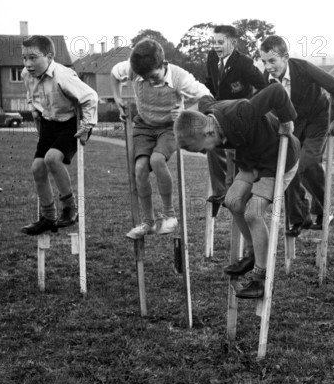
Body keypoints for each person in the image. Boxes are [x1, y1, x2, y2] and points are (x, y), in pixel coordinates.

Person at [174, 82, 299, 299]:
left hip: (279, 158)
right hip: (253, 160)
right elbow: (204, 98)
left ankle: (262, 278)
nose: (204, 153)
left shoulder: (241, 113)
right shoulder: (209, 119)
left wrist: (287, 119)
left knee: (253, 213)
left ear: (209, 131)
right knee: (232, 201)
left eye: (202, 149)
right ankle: (253, 254)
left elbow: (277, 91)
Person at [111, 38, 211, 240]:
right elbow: (114, 74)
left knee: (156, 160)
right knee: (139, 168)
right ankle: (148, 222)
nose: (150, 81)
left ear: (163, 64)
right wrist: (117, 98)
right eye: (144, 78)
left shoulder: (180, 77)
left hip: (169, 127)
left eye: (154, 76)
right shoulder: (132, 68)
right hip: (144, 125)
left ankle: (170, 216)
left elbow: (207, 97)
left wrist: (186, 110)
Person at [259, 35, 334, 236]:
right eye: (264, 62)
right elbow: (266, 107)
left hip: (317, 119)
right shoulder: (266, 80)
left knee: (307, 163)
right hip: (293, 125)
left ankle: (325, 209)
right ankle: (299, 218)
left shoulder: (304, 68)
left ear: (286, 57)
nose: (268, 66)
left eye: (272, 61)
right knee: (288, 166)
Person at [20, 35, 98, 235]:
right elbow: (31, 94)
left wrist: (87, 125)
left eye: (33, 58)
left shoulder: (63, 75)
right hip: (48, 123)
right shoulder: (26, 74)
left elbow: (90, 97)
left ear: (49, 56)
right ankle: (48, 217)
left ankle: (70, 208)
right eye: (24, 58)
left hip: (71, 123)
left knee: (52, 159)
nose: (28, 64)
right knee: (37, 167)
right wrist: (33, 108)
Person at [204, 25, 266, 207]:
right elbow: (210, 82)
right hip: (218, 114)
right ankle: (219, 191)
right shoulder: (212, 57)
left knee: (234, 157)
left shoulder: (244, 63)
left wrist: (250, 108)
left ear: (233, 42)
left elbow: (263, 86)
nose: (216, 46)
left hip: (239, 118)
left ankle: (233, 193)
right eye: (214, 42)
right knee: (210, 143)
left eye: (220, 42)